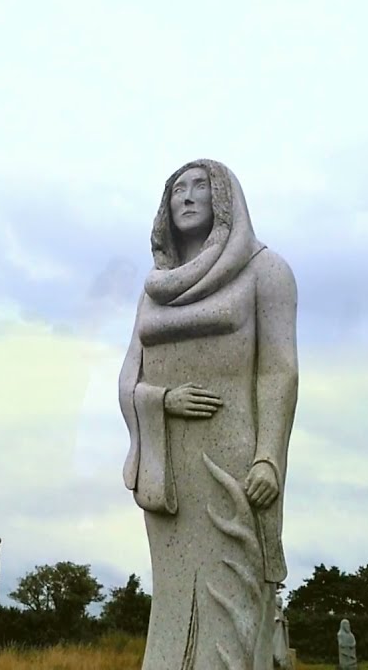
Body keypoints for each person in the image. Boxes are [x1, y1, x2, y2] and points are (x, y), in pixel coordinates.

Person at [119, 159, 299, 669]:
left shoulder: (267, 271)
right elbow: (128, 378)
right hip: (170, 464)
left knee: (234, 593)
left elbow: (278, 371)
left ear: (225, 199)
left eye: (201, 185)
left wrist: (269, 458)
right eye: (178, 188)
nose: (188, 196)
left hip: (233, 461)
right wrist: (161, 400)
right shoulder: (154, 290)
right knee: (174, 596)